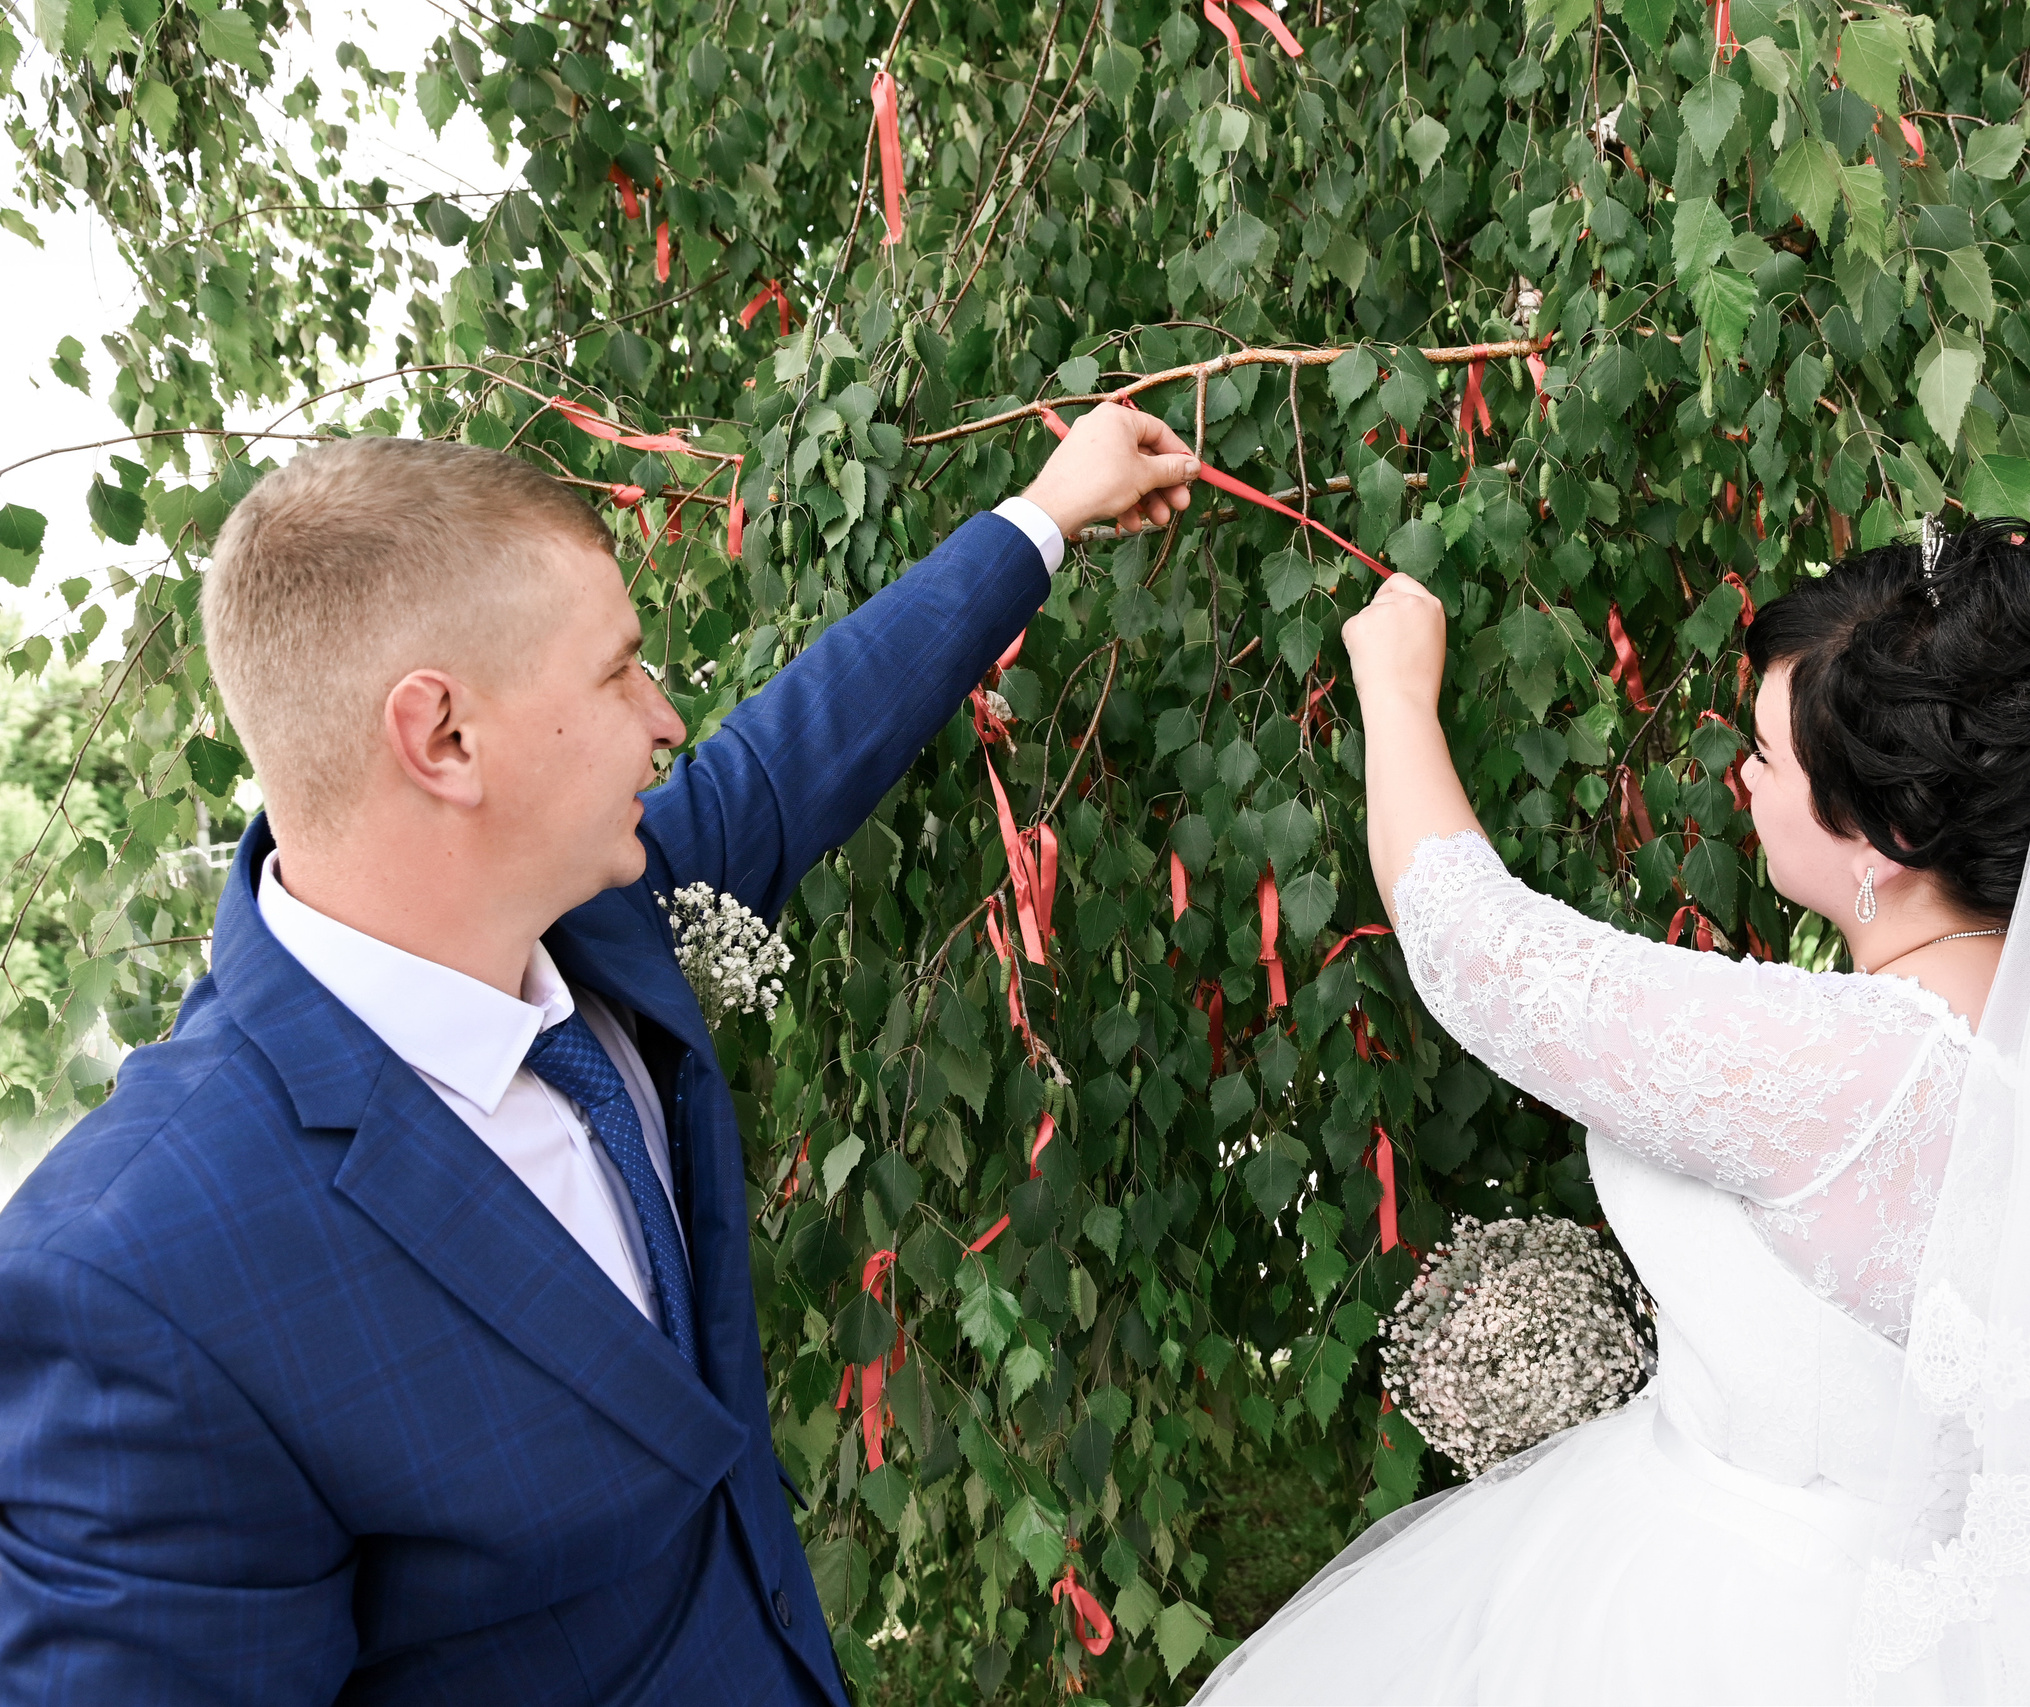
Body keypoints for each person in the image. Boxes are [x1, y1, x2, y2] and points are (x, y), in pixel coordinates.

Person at [0, 407, 1197, 1704]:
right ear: (445, 737)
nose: (667, 716)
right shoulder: (136, 1282)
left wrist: (1044, 512)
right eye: (620, 670)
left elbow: (799, 752)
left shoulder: (595, 912)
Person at [1197, 520, 2030, 1704]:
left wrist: (1395, 693)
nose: (1745, 781)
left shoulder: (1862, 1073)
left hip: (1736, 1620)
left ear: (1889, 833)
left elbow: (1479, 952)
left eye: (1768, 757)